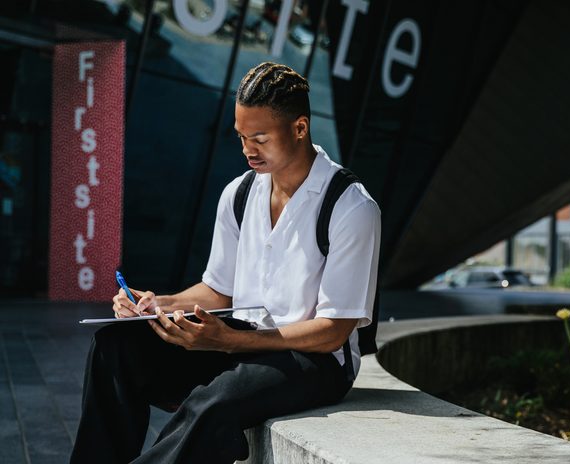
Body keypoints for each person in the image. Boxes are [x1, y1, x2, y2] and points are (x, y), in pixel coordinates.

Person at [70, 62, 381, 463]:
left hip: (314, 360)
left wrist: (229, 341)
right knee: (114, 346)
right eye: (241, 137)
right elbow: (217, 289)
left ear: (300, 128)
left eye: (261, 138)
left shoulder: (351, 206)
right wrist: (153, 305)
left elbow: (333, 332)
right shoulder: (239, 194)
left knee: (212, 404)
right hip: (243, 340)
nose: (248, 150)